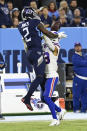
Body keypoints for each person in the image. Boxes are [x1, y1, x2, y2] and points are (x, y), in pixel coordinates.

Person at [18, 6, 62, 111]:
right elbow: (46, 32)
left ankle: (47, 97)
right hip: (36, 52)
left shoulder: (20, 25)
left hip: (29, 52)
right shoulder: (35, 21)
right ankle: (27, 98)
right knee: (39, 77)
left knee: (41, 77)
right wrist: (57, 36)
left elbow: (32, 31)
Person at [41, 21, 67, 126]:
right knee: (43, 98)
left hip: (52, 75)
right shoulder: (45, 44)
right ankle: (60, 110)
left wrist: (44, 33)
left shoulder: (56, 47)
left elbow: (48, 40)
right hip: (45, 75)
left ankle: (55, 119)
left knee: (47, 97)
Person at [72, 43, 87, 113]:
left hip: (85, 80)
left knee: (85, 95)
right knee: (76, 95)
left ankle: (84, 110)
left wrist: (83, 62)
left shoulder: (84, 55)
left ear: (81, 47)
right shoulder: (74, 56)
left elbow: (82, 63)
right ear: (74, 48)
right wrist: (84, 63)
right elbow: (79, 63)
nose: (78, 48)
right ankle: (76, 110)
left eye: (79, 46)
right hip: (78, 79)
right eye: (76, 47)